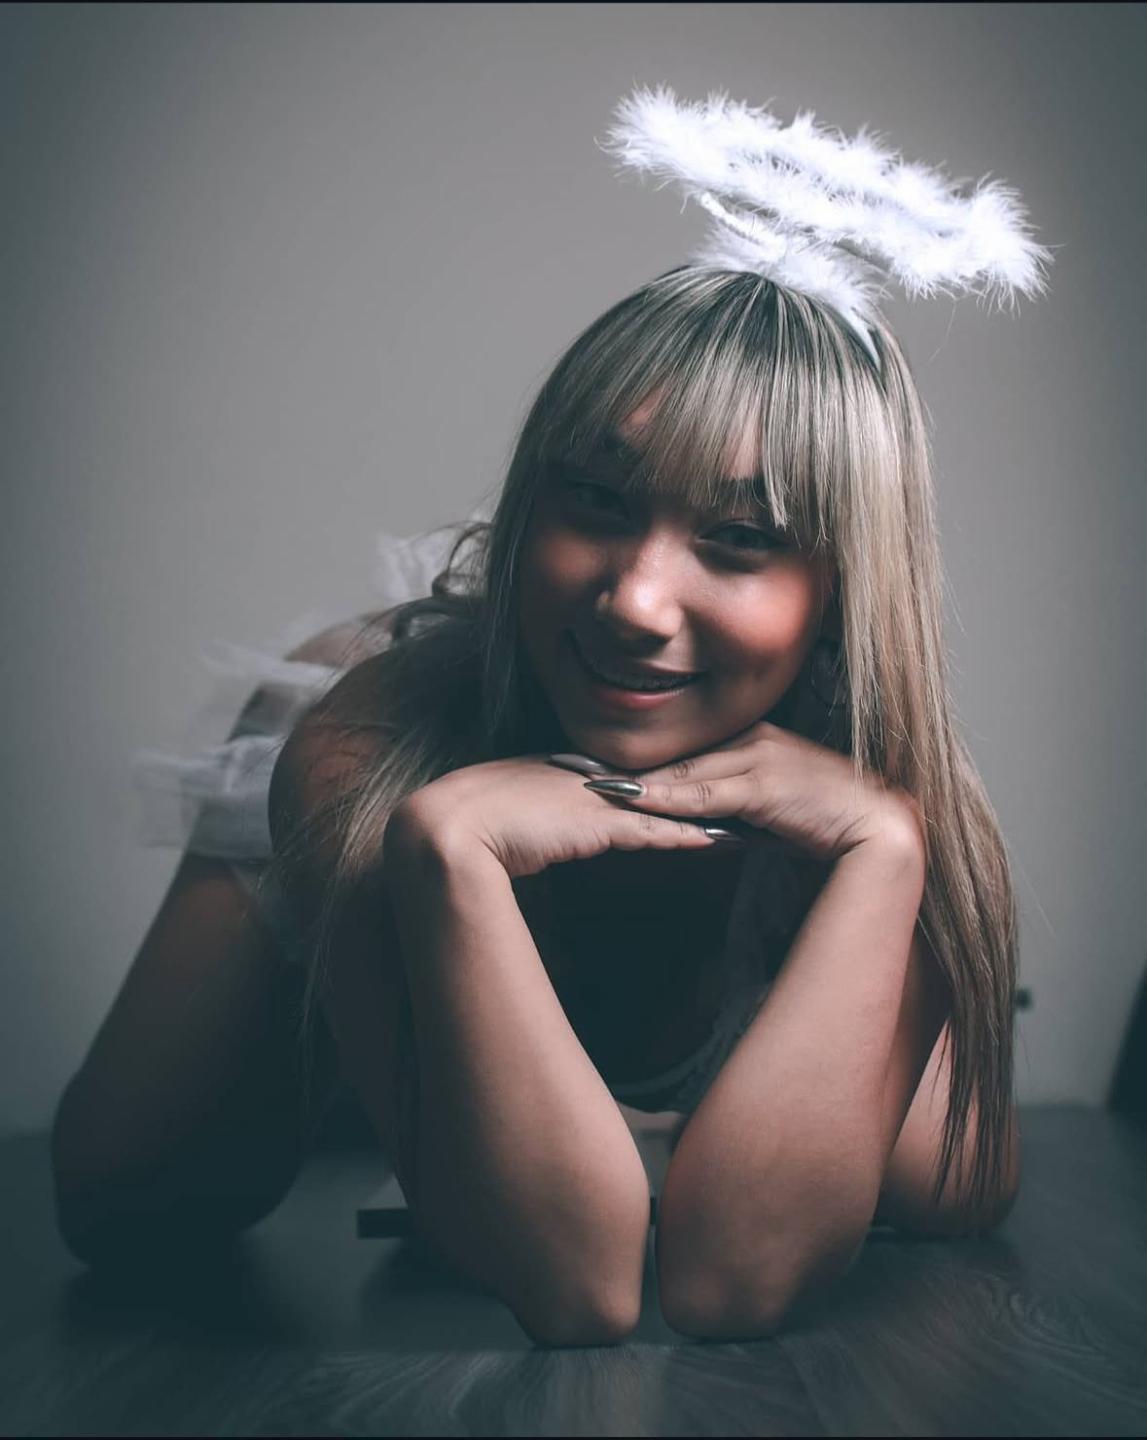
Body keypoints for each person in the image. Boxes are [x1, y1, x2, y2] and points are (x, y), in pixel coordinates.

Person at [51, 88, 1047, 1347]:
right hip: (399, 814)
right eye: (597, 501)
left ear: (842, 590)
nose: (634, 602)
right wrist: (450, 852)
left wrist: (885, 851)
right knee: (138, 1192)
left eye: (740, 538)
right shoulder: (371, 749)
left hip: (764, 969)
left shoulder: (879, 794)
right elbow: (577, 1288)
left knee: (939, 1182)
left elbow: (734, 1282)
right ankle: (404, 1069)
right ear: (531, 503)